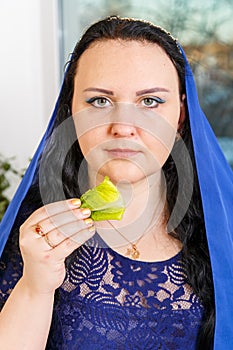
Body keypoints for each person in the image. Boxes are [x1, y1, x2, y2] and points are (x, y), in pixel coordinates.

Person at [0, 16, 232, 350]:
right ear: (71, 110)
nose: (124, 126)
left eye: (150, 101)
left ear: (180, 115)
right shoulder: (37, 239)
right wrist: (36, 285)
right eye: (99, 101)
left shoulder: (225, 229)